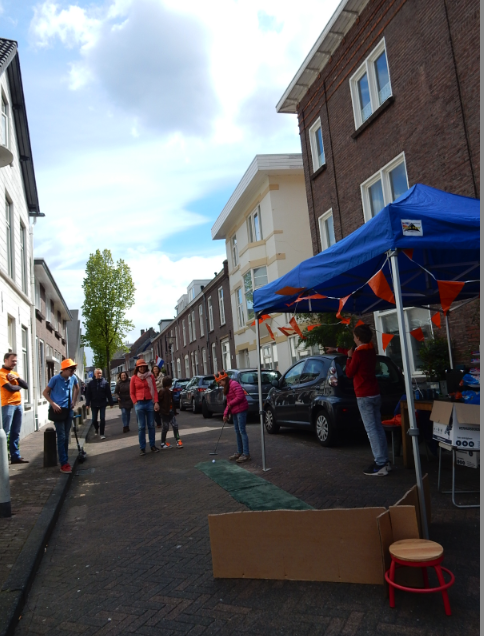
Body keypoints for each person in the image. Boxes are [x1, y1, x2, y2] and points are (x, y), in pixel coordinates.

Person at [326, 323, 390, 476]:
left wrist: (348, 358)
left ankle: (380, 463)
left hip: (364, 395)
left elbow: (349, 372)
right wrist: (337, 349)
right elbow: (352, 351)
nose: (353, 339)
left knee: (371, 429)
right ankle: (385, 460)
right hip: (375, 393)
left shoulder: (358, 354)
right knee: (378, 427)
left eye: (354, 337)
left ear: (359, 338)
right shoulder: (370, 349)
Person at [43, 358, 79, 474]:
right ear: (64, 369)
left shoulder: (73, 378)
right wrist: (53, 404)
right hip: (58, 411)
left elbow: (77, 388)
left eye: (74, 370)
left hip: (68, 410)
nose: (73, 372)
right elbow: (45, 392)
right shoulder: (55, 379)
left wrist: (74, 401)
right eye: (71, 370)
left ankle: (65, 461)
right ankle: (64, 463)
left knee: (66, 436)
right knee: (61, 436)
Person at [215, 370, 250, 463]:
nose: (220, 385)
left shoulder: (234, 384)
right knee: (237, 431)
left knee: (242, 431)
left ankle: (246, 454)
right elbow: (228, 402)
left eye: (220, 382)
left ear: (224, 379)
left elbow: (240, 396)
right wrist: (225, 414)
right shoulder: (227, 387)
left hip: (241, 410)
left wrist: (231, 404)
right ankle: (239, 452)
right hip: (235, 411)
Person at [0, 352, 29, 464]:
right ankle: (3, 458)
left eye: (16, 361)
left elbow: (25, 386)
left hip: (18, 405)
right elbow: (10, 388)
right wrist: (19, 386)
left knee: (16, 432)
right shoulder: (1, 373)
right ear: (5, 360)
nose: (14, 363)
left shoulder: (14, 373)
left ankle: (15, 456)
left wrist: (17, 378)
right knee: (6, 432)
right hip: (8, 405)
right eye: (12, 361)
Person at [130, 359, 160, 456]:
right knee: (141, 427)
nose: (142, 368)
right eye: (140, 366)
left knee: (151, 425)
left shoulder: (150, 376)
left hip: (149, 402)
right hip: (139, 404)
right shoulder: (134, 378)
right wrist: (135, 402)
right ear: (137, 368)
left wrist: (156, 402)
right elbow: (131, 392)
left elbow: (154, 390)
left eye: (143, 366)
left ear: (146, 367)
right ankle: (142, 448)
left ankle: (152, 445)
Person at [85, 368, 113, 440]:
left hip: (102, 403)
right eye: (98, 373)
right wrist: (87, 403)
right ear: (95, 374)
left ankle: (102, 433)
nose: (99, 374)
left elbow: (108, 393)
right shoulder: (91, 383)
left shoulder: (105, 383)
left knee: (102, 418)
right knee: (94, 419)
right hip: (94, 403)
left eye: (100, 373)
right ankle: (96, 428)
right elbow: (88, 394)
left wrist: (111, 402)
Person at [158, 376, 182, 449]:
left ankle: (177, 440)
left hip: (170, 411)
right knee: (166, 427)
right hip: (165, 412)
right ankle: (163, 442)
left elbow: (172, 402)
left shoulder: (169, 391)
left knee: (174, 425)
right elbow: (159, 401)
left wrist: (174, 411)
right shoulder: (162, 391)